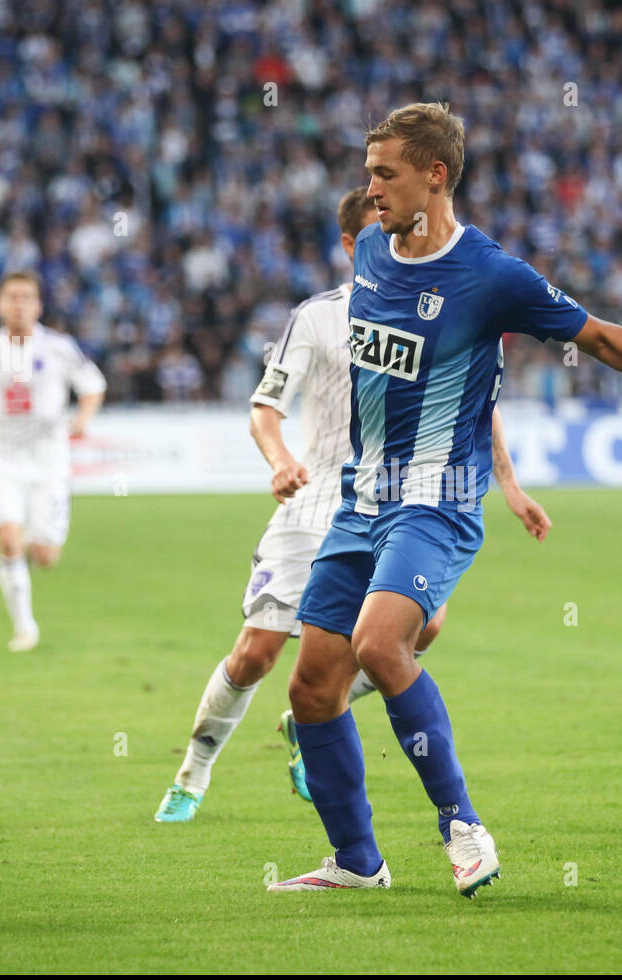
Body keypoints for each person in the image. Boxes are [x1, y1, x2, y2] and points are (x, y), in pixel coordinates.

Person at [268, 102, 622, 896]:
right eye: (368, 172)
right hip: (360, 500)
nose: (369, 188)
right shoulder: (374, 250)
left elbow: (594, 335)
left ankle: (462, 825)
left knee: (381, 647)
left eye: (385, 173)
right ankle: (355, 862)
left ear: (435, 175)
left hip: (438, 500)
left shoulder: (490, 275)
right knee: (310, 687)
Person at [154, 187, 552, 823]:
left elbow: (478, 405)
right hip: (317, 505)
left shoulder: (442, 303)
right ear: (351, 244)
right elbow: (265, 407)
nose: (400, 239)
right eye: (380, 228)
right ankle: (194, 770)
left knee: (421, 627)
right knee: (257, 653)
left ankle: (315, 713)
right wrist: (281, 461)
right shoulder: (316, 318)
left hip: (400, 505)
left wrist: (509, 484)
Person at [0, 271, 106, 652]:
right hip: (0, 456)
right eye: (12, 297)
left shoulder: (59, 347)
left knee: (46, 556)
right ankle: (25, 628)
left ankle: (29, 550)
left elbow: (93, 386)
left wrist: (83, 419)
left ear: (38, 305)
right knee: (7, 538)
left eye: (26, 297)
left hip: (49, 458)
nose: (19, 304)